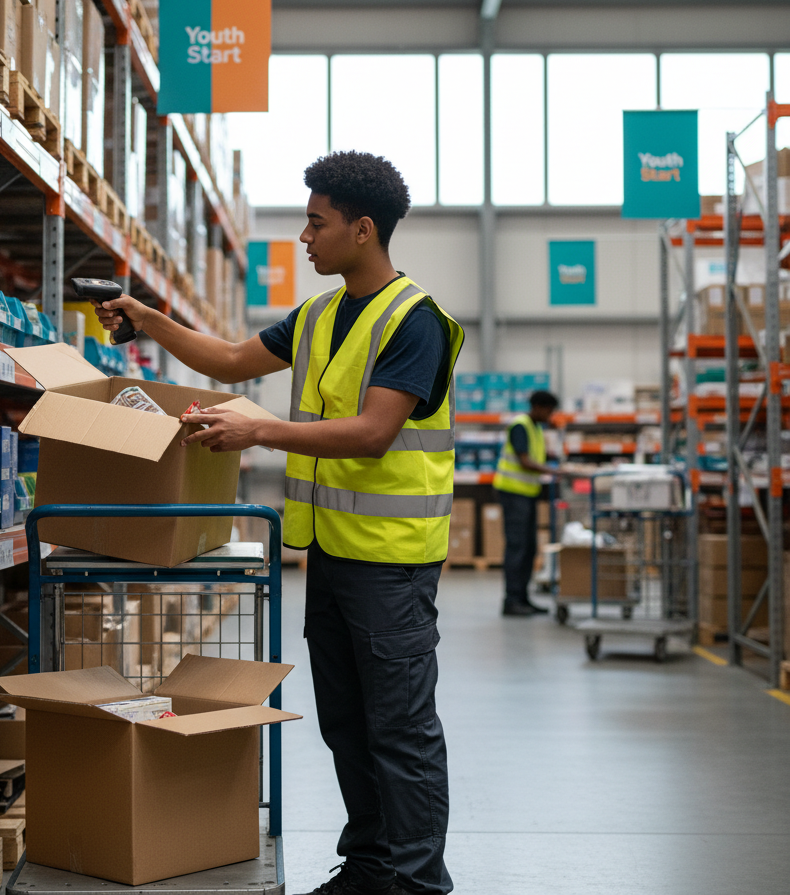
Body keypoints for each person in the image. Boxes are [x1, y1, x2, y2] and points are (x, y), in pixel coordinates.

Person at [94, 150, 463, 895]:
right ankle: (368, 868)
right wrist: (149, 320)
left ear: (362, 231)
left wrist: (260, 432)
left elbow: (371, 433)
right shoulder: (322, 314)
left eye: (316, 223)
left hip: (392, 562)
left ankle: (419, 883)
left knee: (400, 729)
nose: (304, 236)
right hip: (329, 553)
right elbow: (231, 361)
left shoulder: (414, 322)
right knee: (348, 727)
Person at [492, 389, 561, 616]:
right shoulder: (520, 425)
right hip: (514, 494)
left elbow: (535, 456)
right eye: (549, 411)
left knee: (529, 547)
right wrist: (557, 471)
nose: (550, 416)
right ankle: (511, 601)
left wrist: (552, 459)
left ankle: (523, 598)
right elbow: (525, 462)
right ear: (538, 407)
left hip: (527, 494)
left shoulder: (535, 428)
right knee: (517, 547)